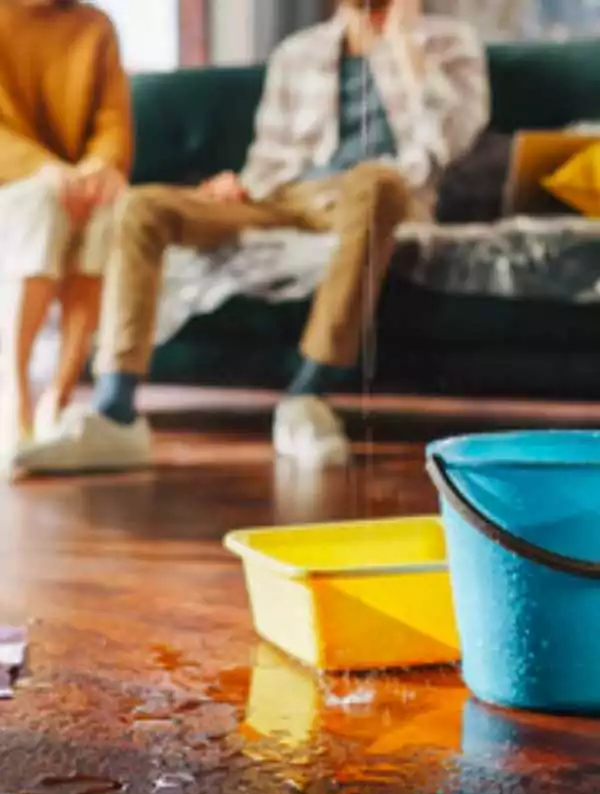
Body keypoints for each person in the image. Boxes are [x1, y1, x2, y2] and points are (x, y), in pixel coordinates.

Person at [15, 0, 489, 475]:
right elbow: (270, 155)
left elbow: (447, 142)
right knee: (143, 207)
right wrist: (240, 186)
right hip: (284, 197)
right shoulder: (298, 52)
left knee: (377, 180)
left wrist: (404, 46)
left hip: (373, 195)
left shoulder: (447, 44)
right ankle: (115, 411)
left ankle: (307, 396)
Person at [0, 0, 132, 472]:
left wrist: (99, 168)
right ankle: (14, 400)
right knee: (41, 206)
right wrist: (45, 170)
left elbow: (113, 121)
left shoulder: (95, 27)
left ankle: (57, 396)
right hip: (15, 181)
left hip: (78, 183)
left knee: (117, 213)